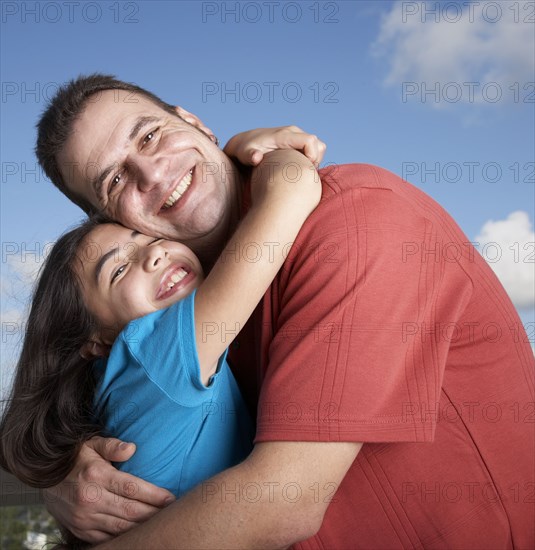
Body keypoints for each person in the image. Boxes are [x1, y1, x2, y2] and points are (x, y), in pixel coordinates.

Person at [33, 74, 534, 548]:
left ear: (195, 122)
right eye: (116, 180)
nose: (153, 173)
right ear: (109, 222)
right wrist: (57, 477)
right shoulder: (176, 311)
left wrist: (277, 165)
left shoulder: (355, 221)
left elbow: (285, 501)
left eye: (150, 136)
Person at [0, 148, 320, 538]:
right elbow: (293, 189)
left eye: (148, 238)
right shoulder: (149, 351)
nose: (154, 255)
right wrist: (256, 151)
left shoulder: (122, 384)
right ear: (96, 342)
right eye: (118, 270)